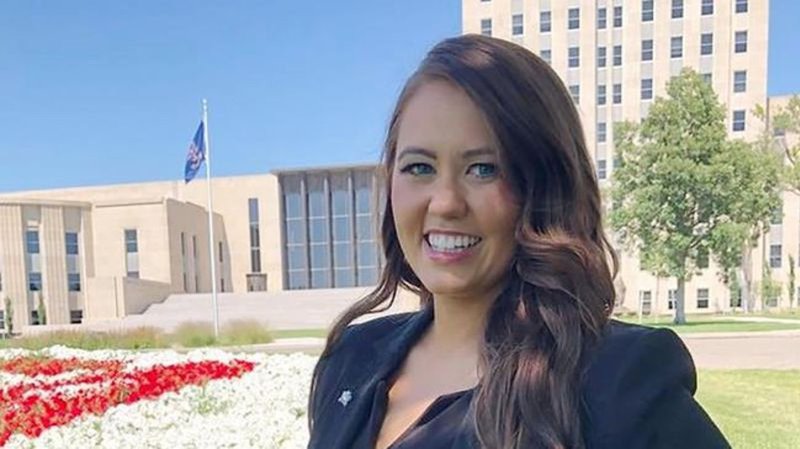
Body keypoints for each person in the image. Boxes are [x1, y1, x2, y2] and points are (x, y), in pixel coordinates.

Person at [306, 34, 730, 449]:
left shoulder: (615, 381)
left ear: (544, 188)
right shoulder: (351, 357)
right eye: (419, 167)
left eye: (483, 169)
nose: (446, 202)